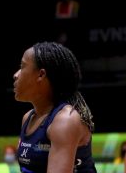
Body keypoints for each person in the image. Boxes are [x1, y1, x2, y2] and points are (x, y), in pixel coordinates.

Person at [12, 41, 96, 173]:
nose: (16, 75)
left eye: (22, 67)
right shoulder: (27, 118)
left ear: (41, 75)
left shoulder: (65, 120)